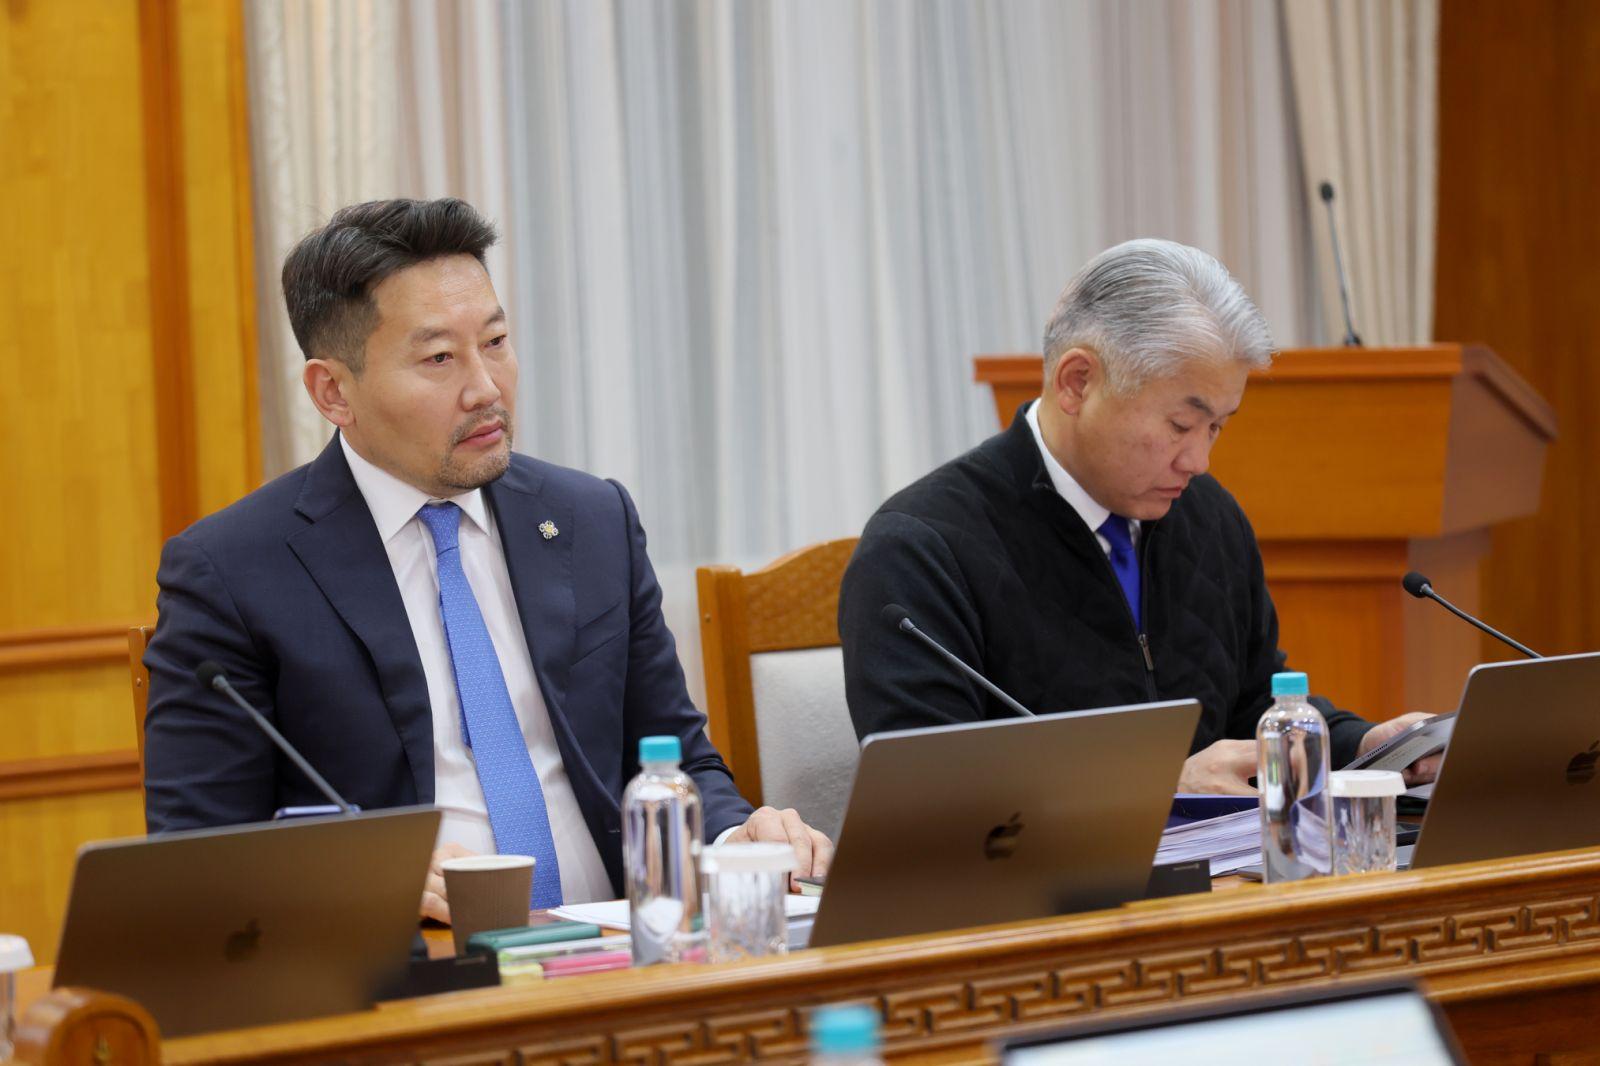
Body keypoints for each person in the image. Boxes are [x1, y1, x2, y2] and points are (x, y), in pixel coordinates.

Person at [143, 198, 831, 920]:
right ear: (333, 392)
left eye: (496, 341)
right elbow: (197, 853)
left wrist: (734, 837)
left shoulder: (591, 519)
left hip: (620, 944)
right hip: (420, 961)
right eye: (439, 358)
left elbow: (673, 756)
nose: (486, 387)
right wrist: (361, 877)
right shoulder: (234, 572)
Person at [837, 238, 1439, 794]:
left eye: (1216, 427)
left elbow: (1250, 707)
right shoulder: (921, 550)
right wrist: (1160, 789)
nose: (1198, 460)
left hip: (1226, 871)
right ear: (1077, 383)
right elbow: (929, 798)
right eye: (1181, 424)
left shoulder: (1210, 517)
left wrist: (1363, 746)